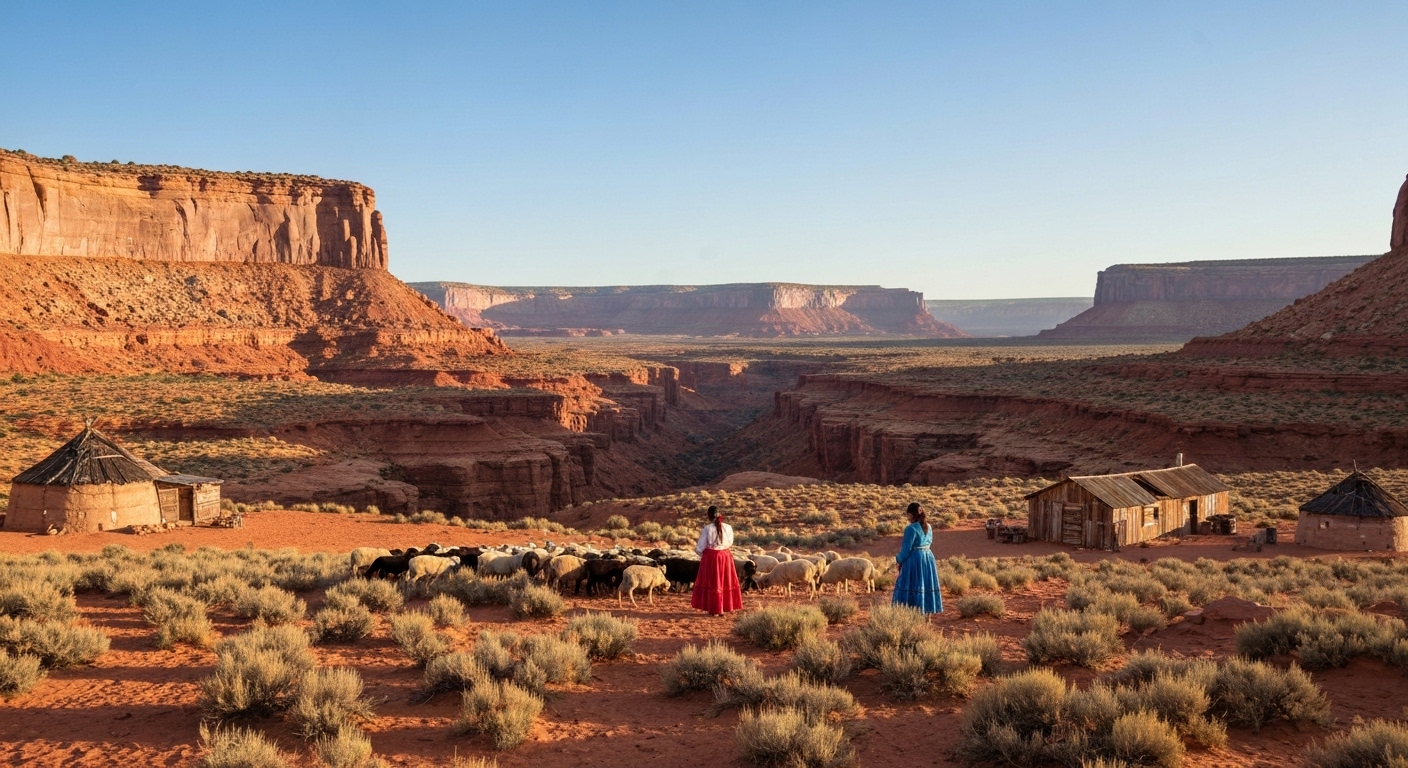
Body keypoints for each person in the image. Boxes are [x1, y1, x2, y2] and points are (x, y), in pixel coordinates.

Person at [892, 502, 942, 613]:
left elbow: (906, 550)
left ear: (911, 514)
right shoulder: (929, 527)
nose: (907, 517)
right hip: (928, 557)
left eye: (908, 515)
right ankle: (926, 611)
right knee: (925, 583)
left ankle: (911, 611)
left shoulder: (910, 529)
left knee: (911, 584)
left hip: (915, 559)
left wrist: (898, 560)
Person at [692, 505, 743, 616]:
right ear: (720, 514)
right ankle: (723, 608)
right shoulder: (728, 527)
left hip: (712, 557)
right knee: (724, 580)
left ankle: (715, 609)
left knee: (714, 582)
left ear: (709, 516)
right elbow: (730, 543)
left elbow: (700, 547)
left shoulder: (707, 529)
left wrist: (705, 555)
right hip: (725, 556)